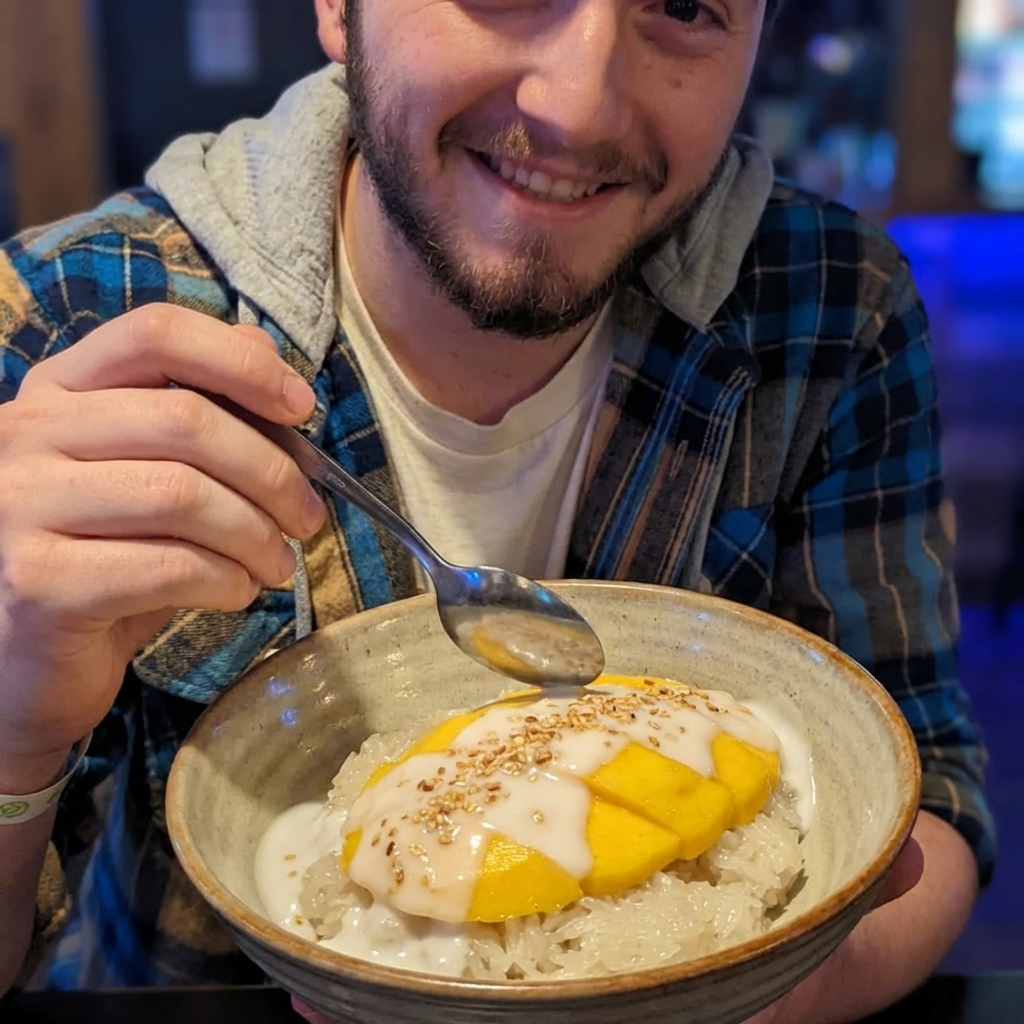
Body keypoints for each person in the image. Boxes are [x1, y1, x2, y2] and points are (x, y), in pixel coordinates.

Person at [0, 0, 994, 1019]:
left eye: (689, 6)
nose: (575, 104)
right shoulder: (69, 322)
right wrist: (16, 730)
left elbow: (933, 792)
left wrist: (724, 985)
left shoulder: (832, 306)